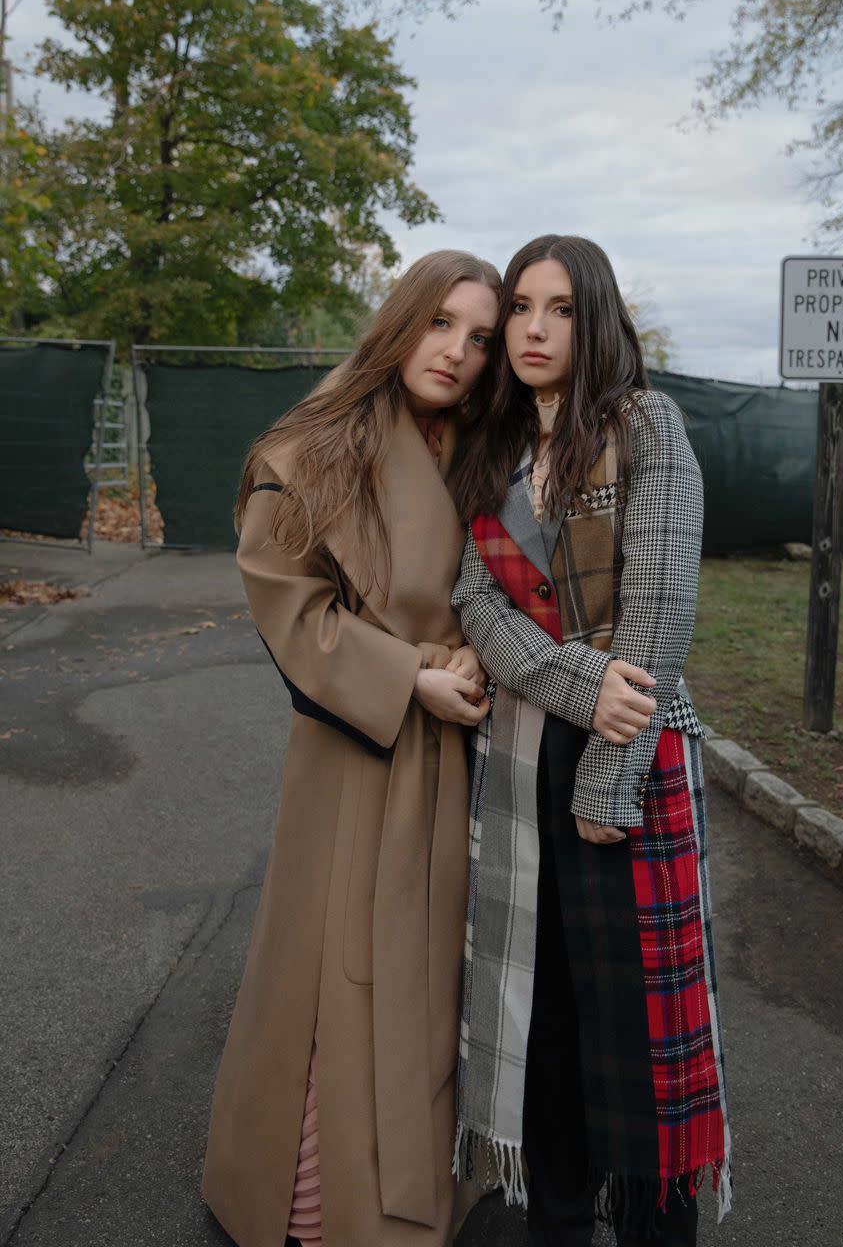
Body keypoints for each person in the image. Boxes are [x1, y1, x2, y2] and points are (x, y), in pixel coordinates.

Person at [202, 250, 502, 1247]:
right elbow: (287, 600)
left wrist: (482, 663)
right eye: (441, 324)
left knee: (433, 979)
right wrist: (408, 677)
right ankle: (319, 1208)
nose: (457, 352)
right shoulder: (320, 439)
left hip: (463, 755)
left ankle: (426, 1186)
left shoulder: (484, 447)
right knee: (340, 972)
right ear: (401, 321)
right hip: (355, 752)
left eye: (480, 337)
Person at [450, 235, 732, 1247]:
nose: (532, 328)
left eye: (558, 308)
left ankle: (657, 1229)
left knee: (643, 1029)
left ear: (594, 317)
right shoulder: (484, 450)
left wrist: (609, 783)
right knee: (551, 1019)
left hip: (632, 759)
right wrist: (574, 677)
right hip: (525, 756)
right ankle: (559, 1220)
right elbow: (475, 603)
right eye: (521, 306)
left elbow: (658, 612)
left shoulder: (644, 424)